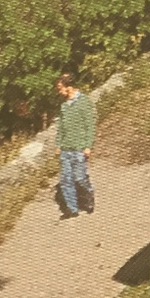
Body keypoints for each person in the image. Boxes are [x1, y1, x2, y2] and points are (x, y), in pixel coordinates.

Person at [55, 71, 96, 218]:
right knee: (66, 180)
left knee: (80, 178)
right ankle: (72, 209)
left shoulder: (83, 102)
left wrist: (88, 146)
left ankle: (89, 194)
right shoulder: (64, 106)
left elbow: (90, 125)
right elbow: (61, 126)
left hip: (79, 148)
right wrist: (59, 144)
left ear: (69, 87)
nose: (59, 92)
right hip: (66, 149)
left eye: (60, 88)